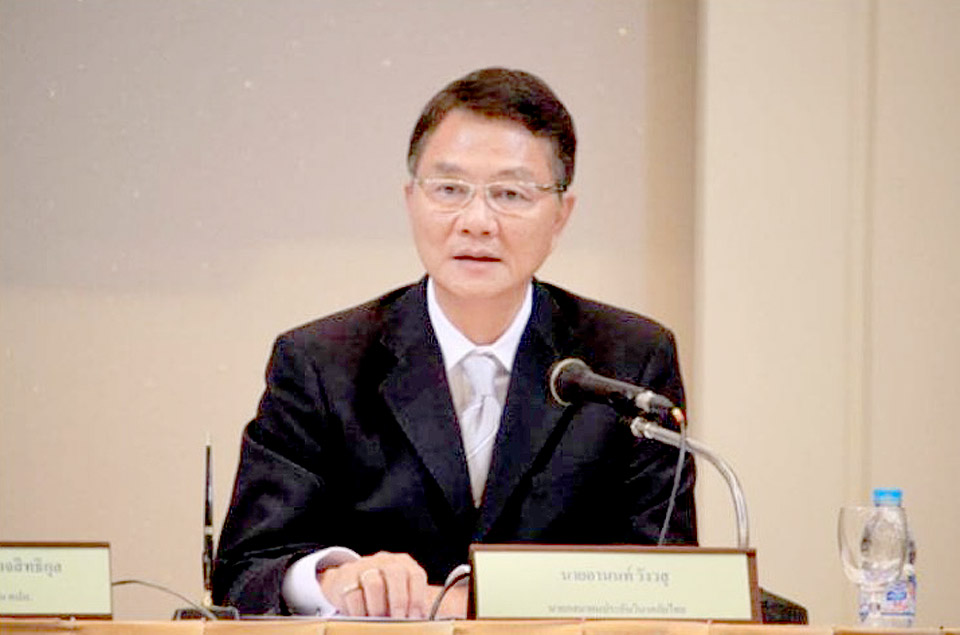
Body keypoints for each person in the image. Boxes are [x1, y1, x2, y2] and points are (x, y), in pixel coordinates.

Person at [212, 67, 697, 618]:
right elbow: (245, 572)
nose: (477, 221)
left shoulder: (630, 361)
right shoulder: (320, 362)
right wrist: (332, 580)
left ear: (562, 214)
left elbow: (669, 580)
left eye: (510, 194)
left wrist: (452, 605)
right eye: (449, 190)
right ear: (410, 199)